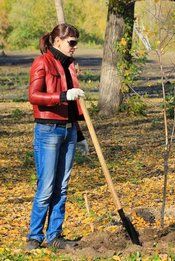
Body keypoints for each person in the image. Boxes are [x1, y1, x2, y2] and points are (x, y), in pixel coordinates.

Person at [27, 23, 89, 250]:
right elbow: (33, 96)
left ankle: (54, 236)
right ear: (58, 41)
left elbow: (74, 107)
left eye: (76, 42)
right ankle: (34, 236)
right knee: (46, 186)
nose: (75, 47)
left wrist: (80, 136)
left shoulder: (69, 66)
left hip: (69, 130)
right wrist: (63, 95)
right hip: (48, 130)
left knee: (62, 187)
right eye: (71, 42)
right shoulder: (41, 62)